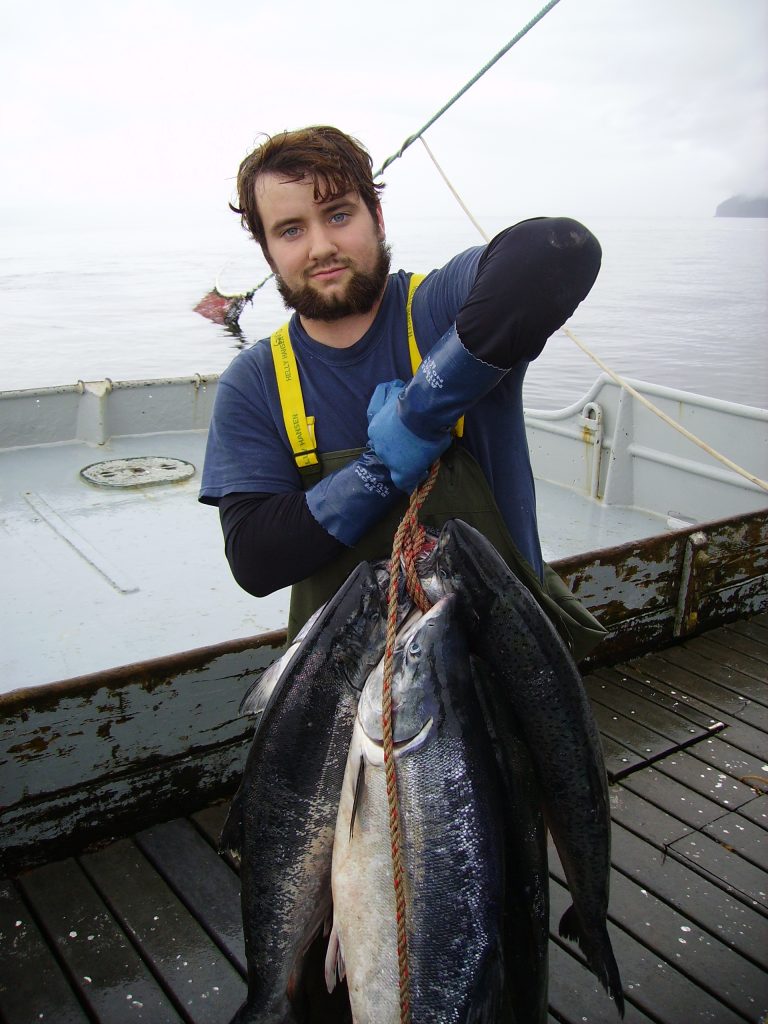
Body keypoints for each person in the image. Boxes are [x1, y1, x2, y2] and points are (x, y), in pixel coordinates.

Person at [200, 125, 603, 649]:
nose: (322, 246)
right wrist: (380, 469)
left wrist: (421, 412)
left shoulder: (438, 309)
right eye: (291, 230)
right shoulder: (254, 382)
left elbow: (556, 250)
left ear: (377, 217)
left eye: (339, 215)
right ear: (267, 249)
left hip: (504, 662)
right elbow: (256, 560)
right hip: (349, 691)